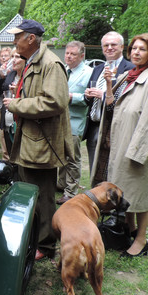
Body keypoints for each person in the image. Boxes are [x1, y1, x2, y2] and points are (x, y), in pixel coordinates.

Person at [2, 19, 73, 261]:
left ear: (31, 38)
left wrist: (17, 104)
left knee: (42, 196)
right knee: (30, 191)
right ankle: (34, 237)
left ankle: (46, 244)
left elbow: (55, 102)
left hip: (42, 143)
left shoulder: (51, 63)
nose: (14, 41)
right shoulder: (33, 61)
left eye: (17, 36)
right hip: (32, 140)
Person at [91, 33, 148, 258]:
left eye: (142, 49)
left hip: (137, 144)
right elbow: (111, 105)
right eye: (134, 48)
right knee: (127, 189)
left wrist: (138, 151)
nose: (136, 52)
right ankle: (130, 230)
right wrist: (109, 84)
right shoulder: (128, 75)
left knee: (140, 193)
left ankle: (141, 240)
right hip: (121, 140)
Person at [84, 31, 134, 171]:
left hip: (113, 127)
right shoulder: (97, 69)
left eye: (113, 44)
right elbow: (88, 99)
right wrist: (87, 96)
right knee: (94, 169)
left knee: (113, 168)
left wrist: (104, 95)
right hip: (94, 127)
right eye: (106, 45)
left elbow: (128, 99)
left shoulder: (130, 69)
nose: (109, 48)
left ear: (122, 47)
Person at [56, 41, 92, 205]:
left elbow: (89, 98)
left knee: (72, 157)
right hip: (59, 120)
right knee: (61, 155)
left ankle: (71, 192)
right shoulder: (63, 69)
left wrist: (71, 97)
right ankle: (61, 183)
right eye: (67, 53)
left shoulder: (88, 72)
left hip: (75, 121)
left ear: (82, 56)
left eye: (73, 54)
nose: (69, 56)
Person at [0, 48, 24, 160]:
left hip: (20, 123)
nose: (13, 60)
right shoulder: (10, 74)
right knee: (9, 154)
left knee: (20, 156)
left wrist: (18, 91)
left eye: (17, 57)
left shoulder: (27, 76)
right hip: (7, 122)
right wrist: (1, 77)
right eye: (12, 56)